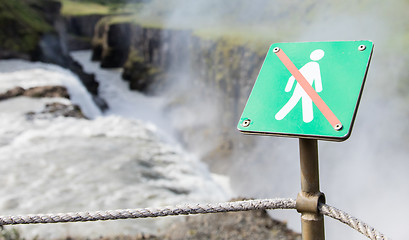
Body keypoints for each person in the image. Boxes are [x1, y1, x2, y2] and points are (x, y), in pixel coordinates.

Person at [275, 49, 324, 123]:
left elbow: (317, 77)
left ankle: (308, 120)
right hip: (301, 86)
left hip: (308, 87)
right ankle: (279, 116)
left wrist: (318, 88)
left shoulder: (315, 65)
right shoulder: (311, 65)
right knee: (294, 100)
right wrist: (289, 86)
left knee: (306, 100)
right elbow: (295, 75)